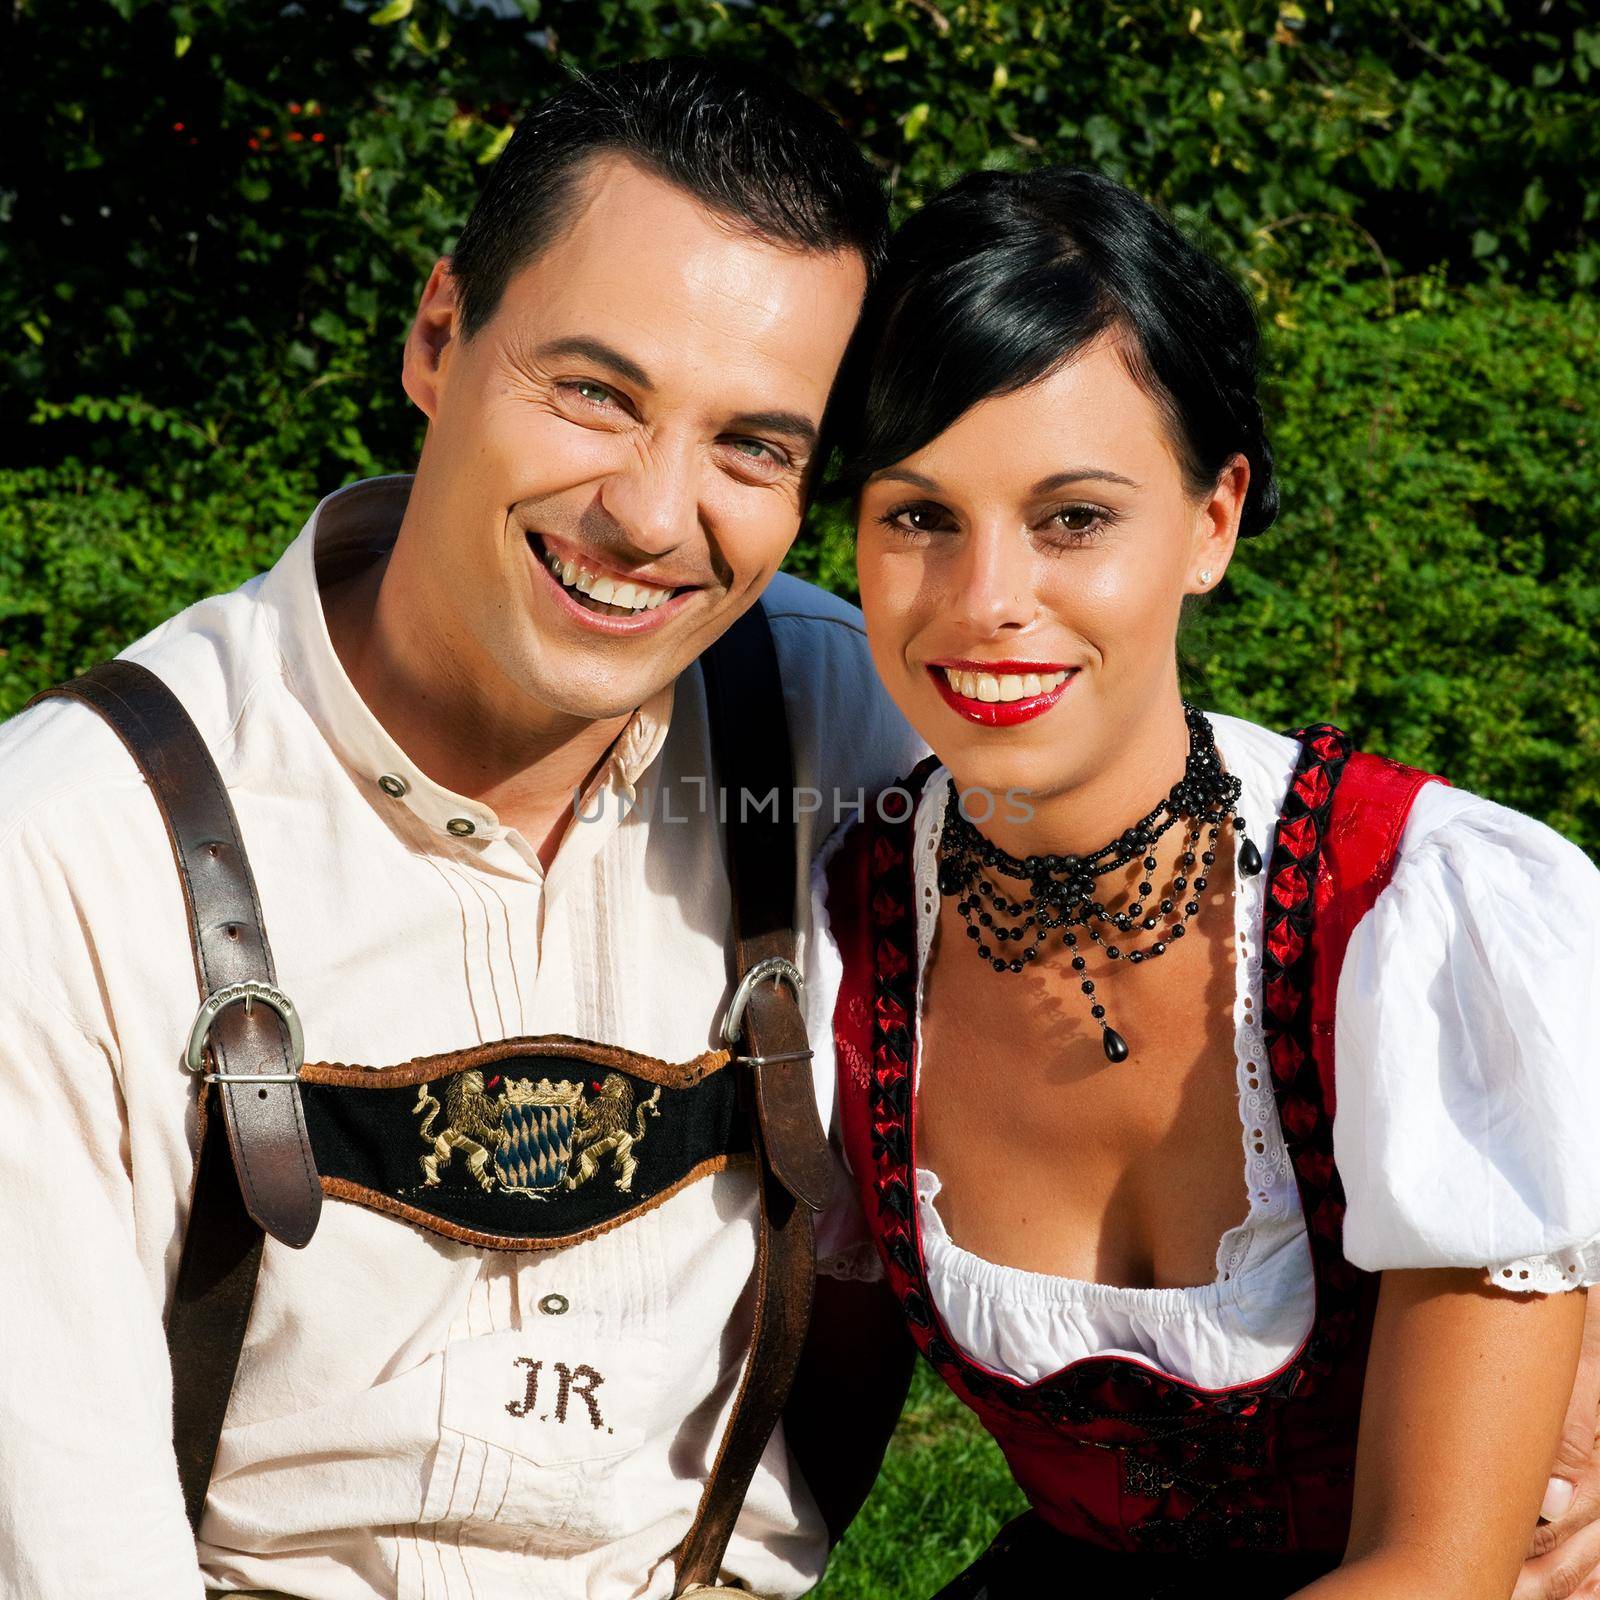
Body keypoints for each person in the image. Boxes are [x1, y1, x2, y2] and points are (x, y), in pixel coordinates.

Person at [0, 58, 920, 1600]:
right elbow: (66, 1541)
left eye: (752, 447)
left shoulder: (850, 726)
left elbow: (1221, 881)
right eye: (595, 393)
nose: (648, 516)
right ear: (440, 337)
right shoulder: (71, 843)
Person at [815, 167, 1600, 1598]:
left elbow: (1439, 1569)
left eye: (1073, 518)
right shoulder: (850, 922)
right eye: (920, 515)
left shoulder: (1413, 912)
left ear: (1214, 519)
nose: (987, 598)